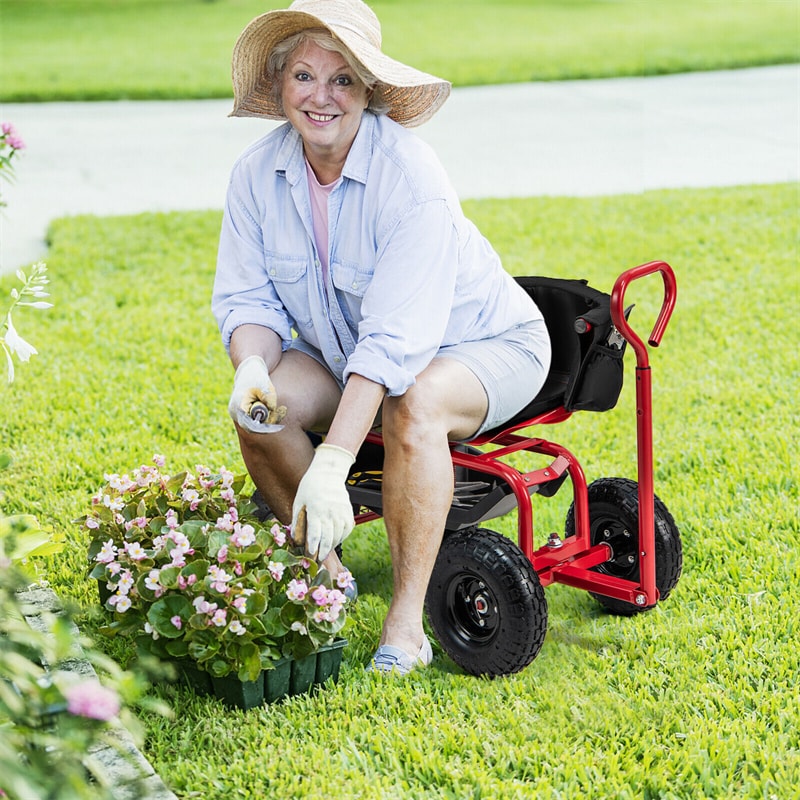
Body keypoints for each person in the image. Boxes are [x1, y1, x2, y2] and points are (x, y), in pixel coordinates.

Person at [212, 0, 551, 676]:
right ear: (279, 85)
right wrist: (251, 365)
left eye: (343, 80)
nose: (321, 97)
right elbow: (248, 298)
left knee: (414, 403)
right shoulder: (256, 175)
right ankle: (328, 578)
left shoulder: (411, 178)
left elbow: (394, 347)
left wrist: (335, 461)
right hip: (349, 352)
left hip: (487, 345)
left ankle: (405, 628)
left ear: (369, 93)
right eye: (304, 76)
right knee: (259, 408)